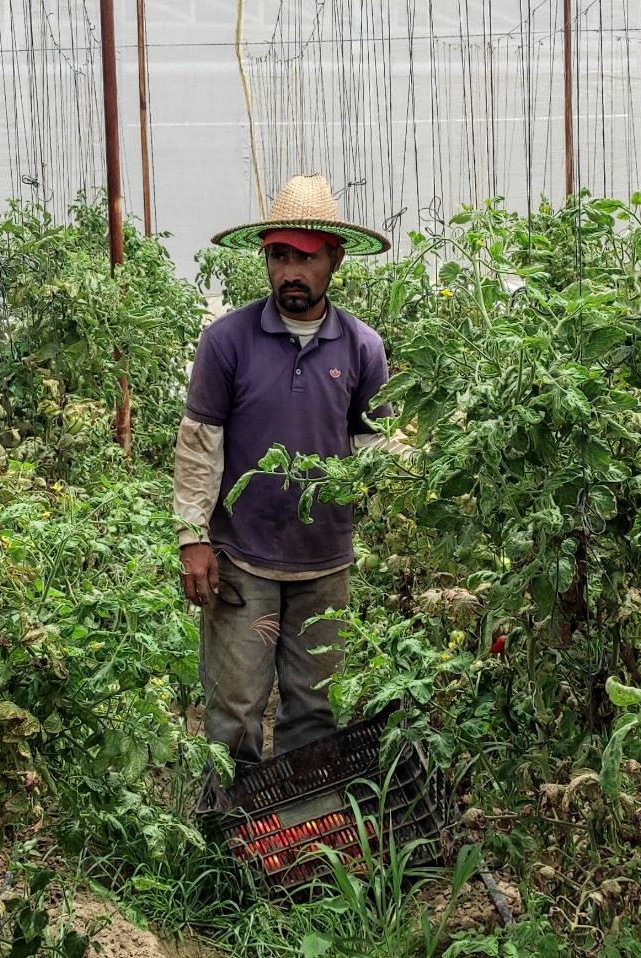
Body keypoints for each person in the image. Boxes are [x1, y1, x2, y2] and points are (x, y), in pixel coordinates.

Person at [173, 173, 396, 773]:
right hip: (241, 557)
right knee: (235, 710)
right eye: (278, 255)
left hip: (325, 561)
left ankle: (303, 833)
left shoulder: (361, 348)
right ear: (265, 259)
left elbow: (374, 448)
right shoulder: (227, 341)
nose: (289, 271)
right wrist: (193, 536)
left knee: (314, 709)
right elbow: (200, 444)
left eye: (305, 257)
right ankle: (227, 839)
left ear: (335, 260)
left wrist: (388, 497)